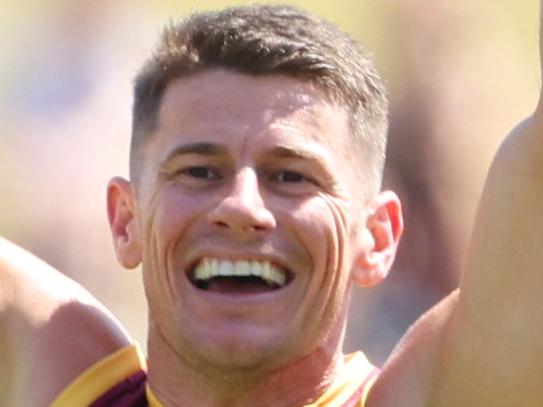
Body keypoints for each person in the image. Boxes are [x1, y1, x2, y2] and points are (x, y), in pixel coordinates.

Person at [2, 3, 542, 406]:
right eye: (199, 172)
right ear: (126, 221)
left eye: (290, 176)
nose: (240, 206)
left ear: (376, 238)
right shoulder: (68, 379)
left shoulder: (444, 393)